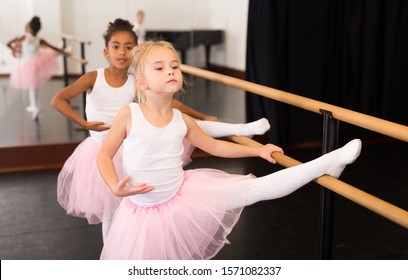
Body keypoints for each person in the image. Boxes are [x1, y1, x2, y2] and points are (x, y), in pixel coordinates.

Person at [96, 40, 362, 260]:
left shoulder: (183, 121)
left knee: (255, 190)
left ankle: (329, 160)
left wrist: (257, 151)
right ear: (141, 83)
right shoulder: (128, 115)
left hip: (182, 195)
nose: (170, 71)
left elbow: (216, 147)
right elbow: (104, 155)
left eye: (174, 66)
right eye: (160, 67)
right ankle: (328, 162)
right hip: (141, 215)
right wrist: (113, 186)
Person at [51, 19, 271, 242]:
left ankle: (243, 128)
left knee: (188, 126)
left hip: (133, 144)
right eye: (116, 46)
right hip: (103, 146)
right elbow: (58, 100)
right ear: (106, 51)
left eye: (129, 47)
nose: (122, 52)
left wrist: (201, 115)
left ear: (135, 51)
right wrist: (84, 122)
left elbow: (170, 105)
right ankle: (112, 251)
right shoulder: (95, 77)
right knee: (111, 210)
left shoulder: (137, 81)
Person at [7, 16, 71, 120]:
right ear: (38, 29)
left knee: (32, 87)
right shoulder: (39, 39)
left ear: (30, 27)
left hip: (29, 64)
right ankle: (33, 106)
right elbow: (52, 47)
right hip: (37, 62)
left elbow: (9, 43)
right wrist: (63, 51)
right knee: (33, 86)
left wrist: (15, 50)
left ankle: (35, 108)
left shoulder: (25, 37)